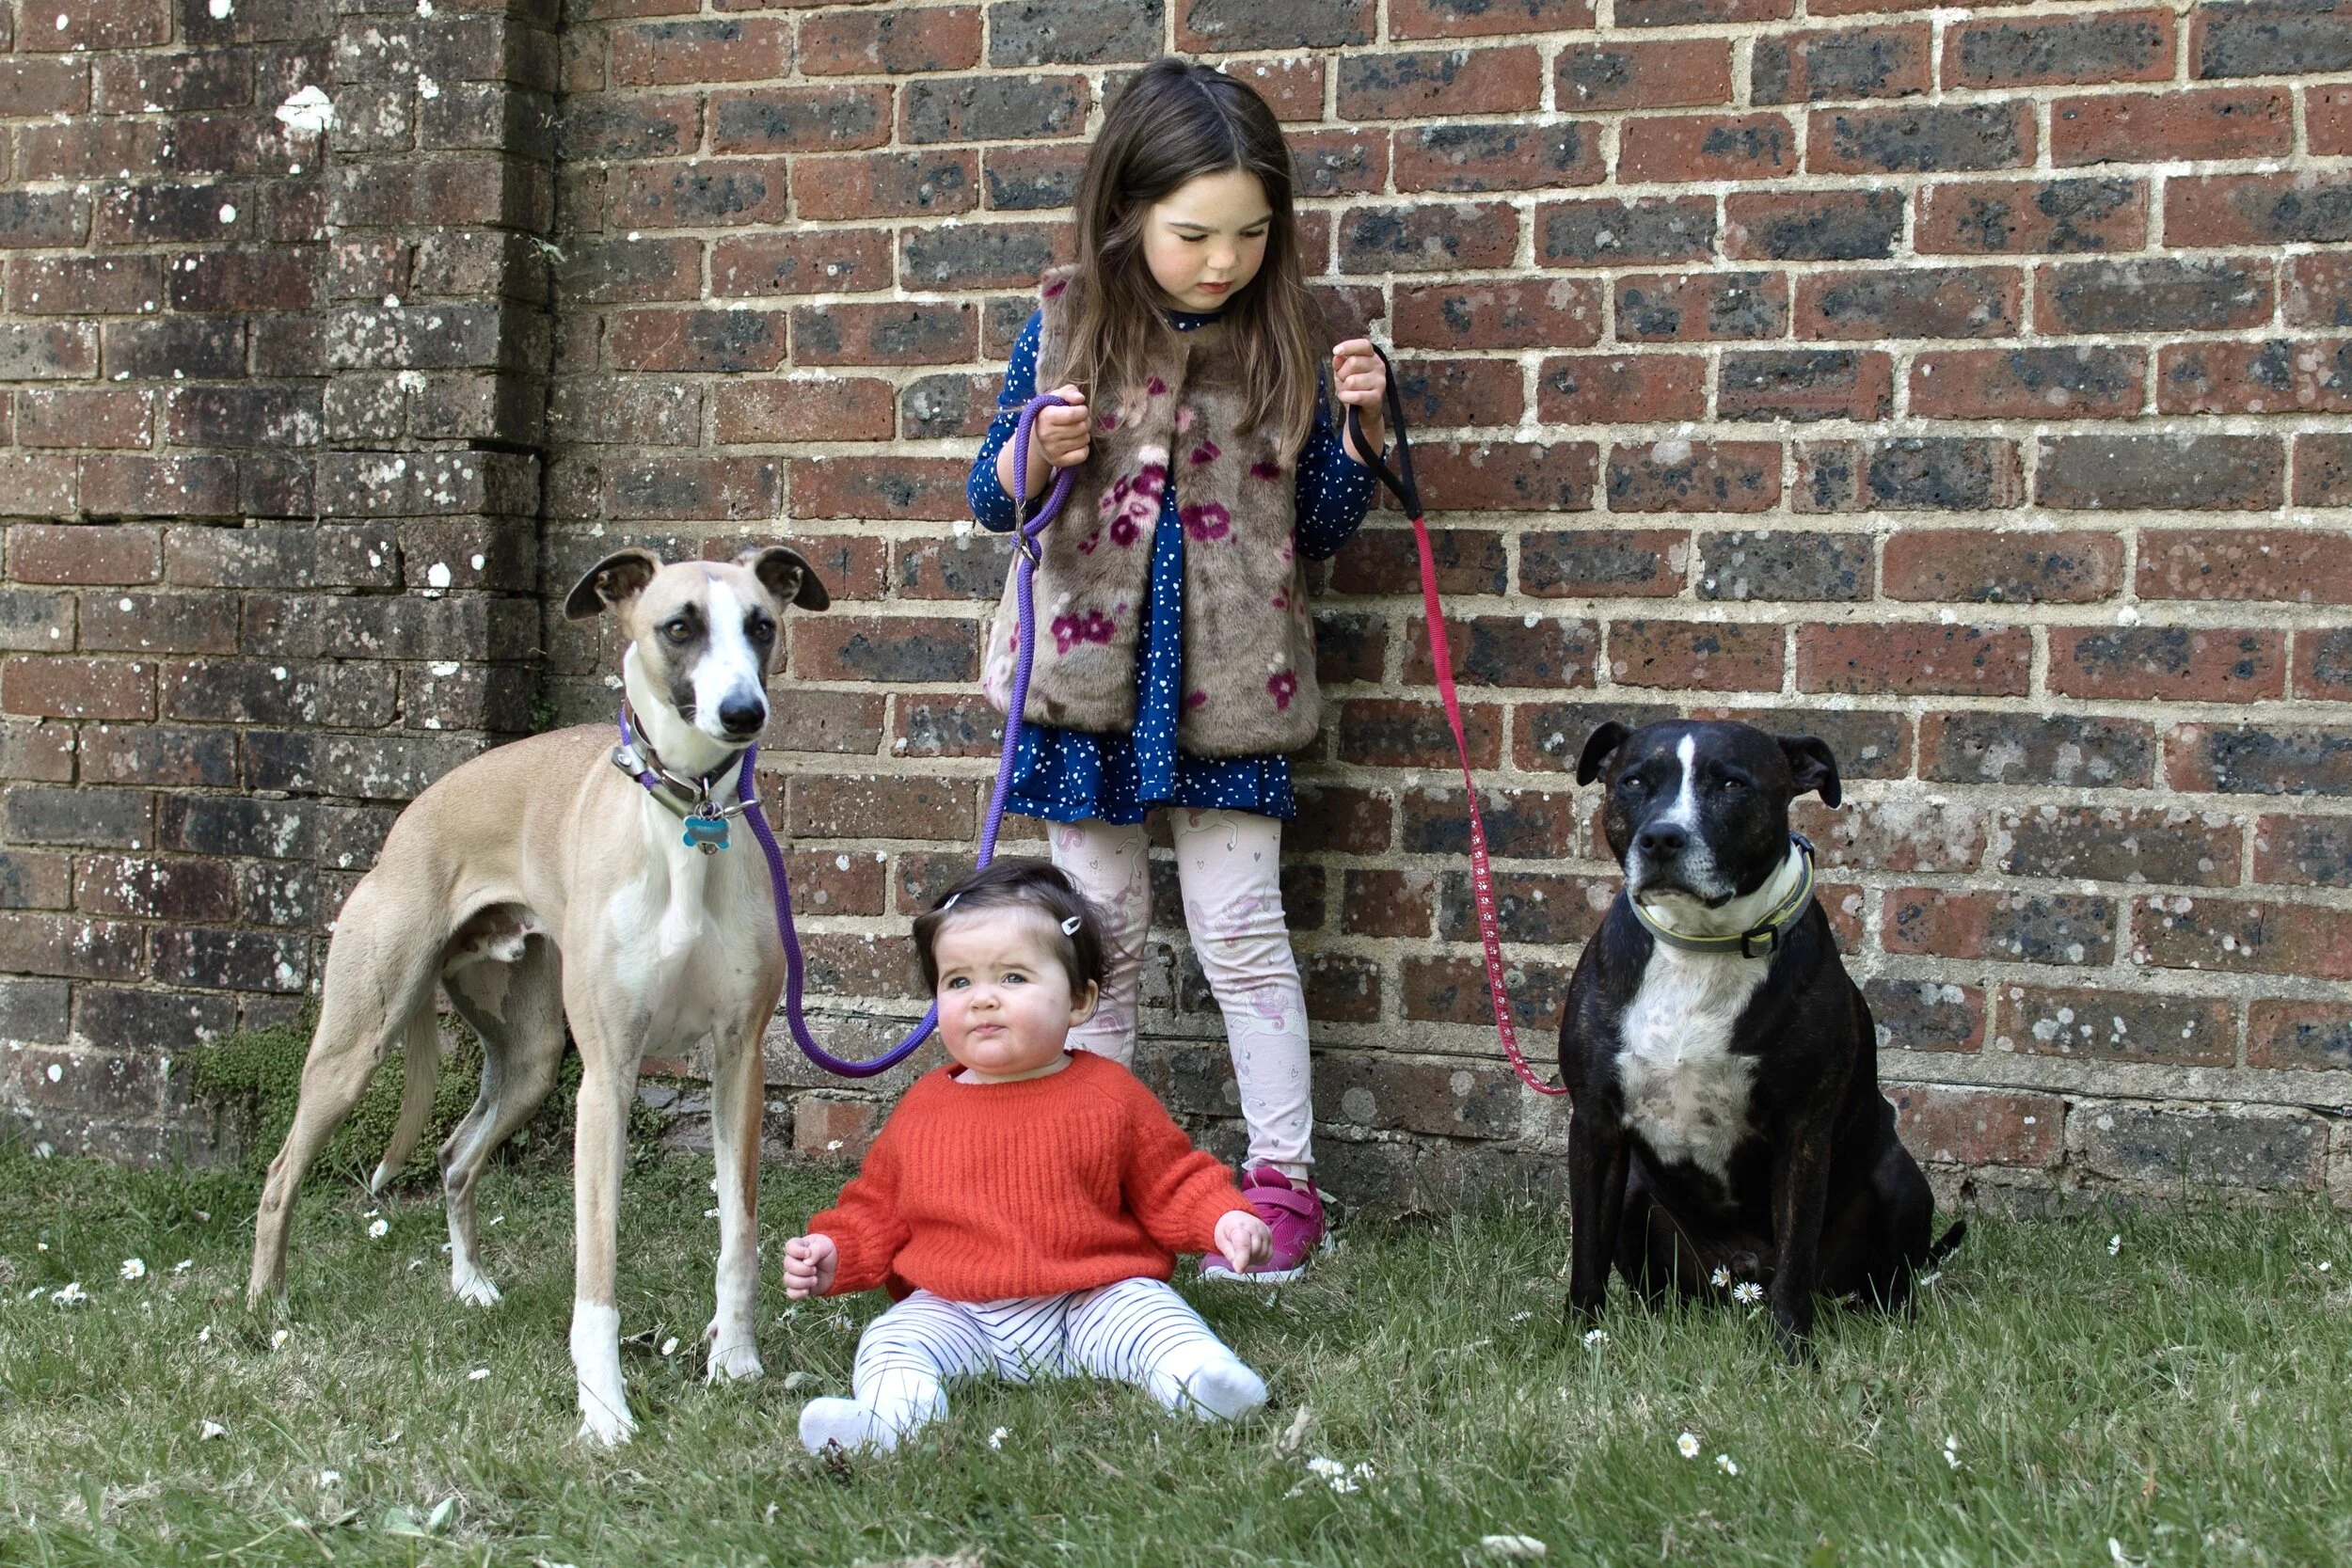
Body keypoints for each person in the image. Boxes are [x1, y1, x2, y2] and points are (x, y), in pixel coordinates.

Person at [965, 55, 1389, 1282]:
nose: (1224, 260)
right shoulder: (1063, 328)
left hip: (1232, 681)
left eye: (1253, 234)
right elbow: (991, 500)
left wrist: (1358, 430)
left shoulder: (1288, 336)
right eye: (1195, 233)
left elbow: (1315, 524)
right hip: (1087, 689)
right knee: (1094, 933)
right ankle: (1086, 1176)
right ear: (1127, 213)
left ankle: (1282, 1182)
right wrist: (1033, 454)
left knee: (1242, 929)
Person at [784, 860, 1275, 1454]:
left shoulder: (1109, 1095)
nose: (983, 999)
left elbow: (1172, 1180)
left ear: (1079, 1000)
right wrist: (837, 1251)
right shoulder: (924, 1107)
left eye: (1013, 978)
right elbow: (878, 1208)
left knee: (1154, 1318)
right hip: (957, 1308)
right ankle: (896, 1418)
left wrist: (1223, 1217)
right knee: (893, 1340)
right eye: (958, 982)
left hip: (1089, 1296)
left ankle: (1200, 1382)